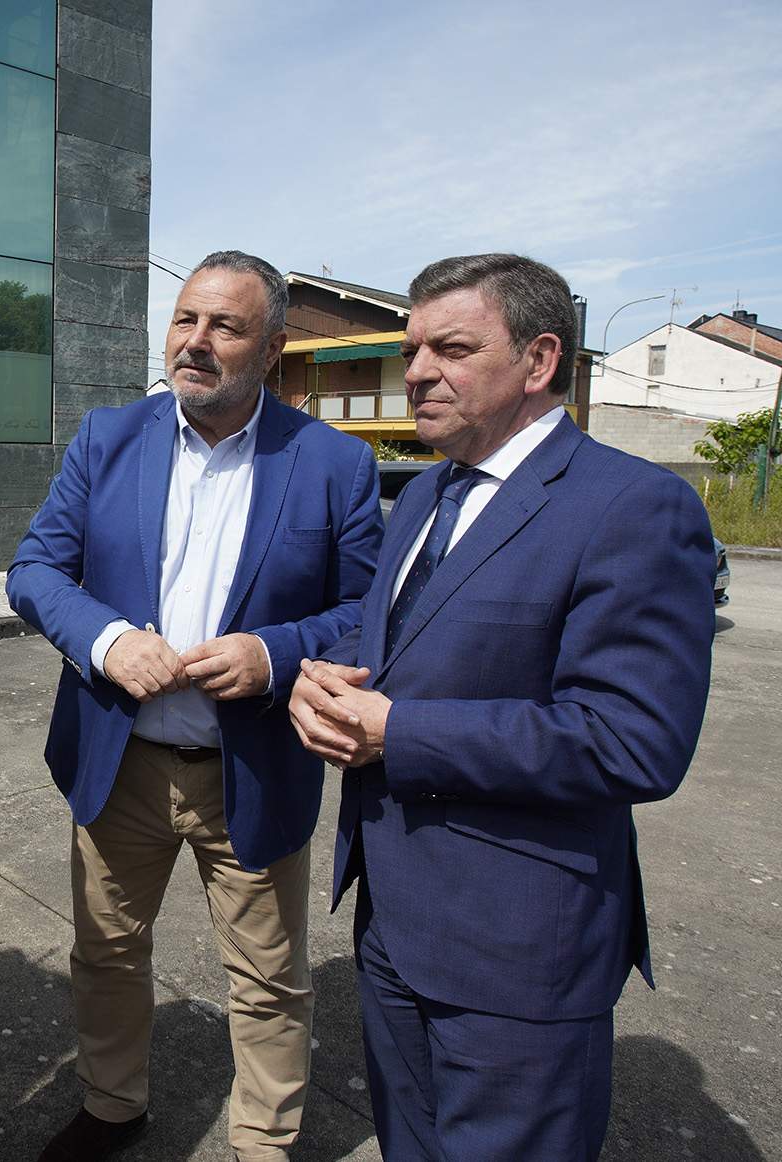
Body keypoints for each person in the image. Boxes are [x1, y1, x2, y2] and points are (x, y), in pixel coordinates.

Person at [289, 253, 714, 1161]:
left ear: (538, 359)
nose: (415, 372)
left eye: (451, 347)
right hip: (391, 922)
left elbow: (633, 741)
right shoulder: (419, 498)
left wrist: (398, 731)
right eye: (411, 350)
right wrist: (322, 679)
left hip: (519, 950)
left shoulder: (635, 508)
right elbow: (394, 647)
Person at [8, 251, 384, 1161]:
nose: (197, 342)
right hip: (120, 759)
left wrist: (273, 653)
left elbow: (367, 616)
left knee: (266, 979)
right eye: (185, 320)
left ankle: (265, 1141)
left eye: (226, 326)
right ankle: (111, 1105)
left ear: (274, 346)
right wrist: (107, 642)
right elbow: (35, 572)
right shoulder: (108, 438)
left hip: (249, 768)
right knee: (105, 953)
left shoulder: (333, 463)